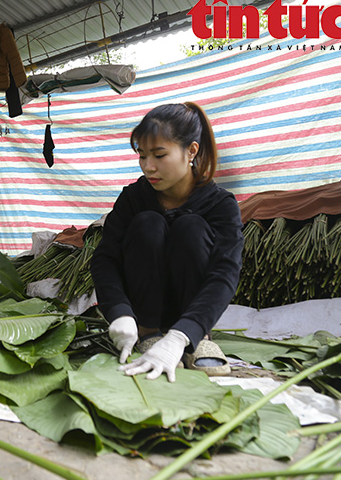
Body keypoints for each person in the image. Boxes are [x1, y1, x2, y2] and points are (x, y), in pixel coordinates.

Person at [90, 102, 244, 383]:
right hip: (143, 317)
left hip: (194, 319)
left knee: (191, 227)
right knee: (147, 223)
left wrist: (185, 332)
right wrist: (119, 312)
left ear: (191, 151)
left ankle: (195, 338)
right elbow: (105, 259)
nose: (149, 167)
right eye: (142, 155)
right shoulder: (133, 199)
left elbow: (225, 273)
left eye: (160, 155)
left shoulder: (221, 204)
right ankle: (149, 332)